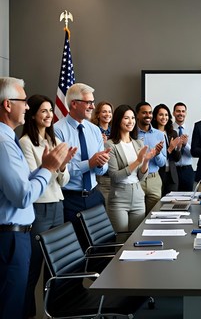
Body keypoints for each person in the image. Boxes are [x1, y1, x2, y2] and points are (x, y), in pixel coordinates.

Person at [0, 77, 68, 319]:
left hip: (18, 231)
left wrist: (51, 169)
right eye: (24, 102)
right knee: (12, 304)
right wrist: (48, 168)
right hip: (11, 234)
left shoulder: (7, 139)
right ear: (8, 104)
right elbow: (22, 195)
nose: (27, 107)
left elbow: (24, 182)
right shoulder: (7, 142)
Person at [20, 94, 76, 319]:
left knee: (55, 266)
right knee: (34, 267)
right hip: (39, 209)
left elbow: (64, 180)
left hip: (57, 206)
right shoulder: (25, 142)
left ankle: (52, 312)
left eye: (50, 111)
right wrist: (53, 167)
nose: (48, 115)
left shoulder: (53, 141)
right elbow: (35, 181)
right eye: (43, 111)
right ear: (32, 115)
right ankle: (27, 313)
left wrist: (61, 167)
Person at [54, 83, 111, 245]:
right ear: (74, 103)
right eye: (88, 102)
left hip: (94, 197)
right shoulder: (57, 130)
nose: (93, 106)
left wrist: (100, 164)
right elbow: (60, 170)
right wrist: (90, 163)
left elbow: (102, 170)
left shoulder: (94, 130)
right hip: (70, 200)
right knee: (75, 249)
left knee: (101, 247)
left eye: (93, 102)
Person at [105, 105, 154, 237]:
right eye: (126, 118)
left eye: (132, 118)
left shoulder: (139, 143)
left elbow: (141, 177)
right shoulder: (110, 144)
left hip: (138, 195)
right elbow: (115, 176)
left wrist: (146, 161)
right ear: (118, 121)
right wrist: (138, 161)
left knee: (136, 239)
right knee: (122, 240)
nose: (131, 121)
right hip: (119, 198)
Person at [135, 102, 166, 213]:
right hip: (137, 179)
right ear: (137, 115)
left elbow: (163, 163)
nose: (148, 115)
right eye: (144, 113)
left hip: (154, 180)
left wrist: (157, 154)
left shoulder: (159, 134)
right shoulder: (131, 134)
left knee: (154, 216)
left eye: (150, 113)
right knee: (137, 218)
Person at [151, 104, 182, 196]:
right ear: (155, 117)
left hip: (172, 175)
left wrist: (178, 148)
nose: (164, 117)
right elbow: (154, 156)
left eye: (166, 115)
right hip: (158, 175)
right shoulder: (152, 134)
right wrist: (170, 149)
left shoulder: (172, 133)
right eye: (161, 115)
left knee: (171, 204)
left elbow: (177, 159)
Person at [91, 101, 114, 208]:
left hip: (115, 176)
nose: (107, 114)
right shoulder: (93, 131)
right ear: (98, 114)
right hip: (102, 177)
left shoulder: (115, 131)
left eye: (109, 112)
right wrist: (102, 144)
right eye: (104, 112)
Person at [173, 102, 195, 191]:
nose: (180, 113)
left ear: (185, 113)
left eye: (183, 111)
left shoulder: (192, 130)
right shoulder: (169, 130)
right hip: (173, 170)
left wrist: (185, 145)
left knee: (188, 198)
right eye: (178, 111)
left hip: (187, 170)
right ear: (173, 113)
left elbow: (193, 153)